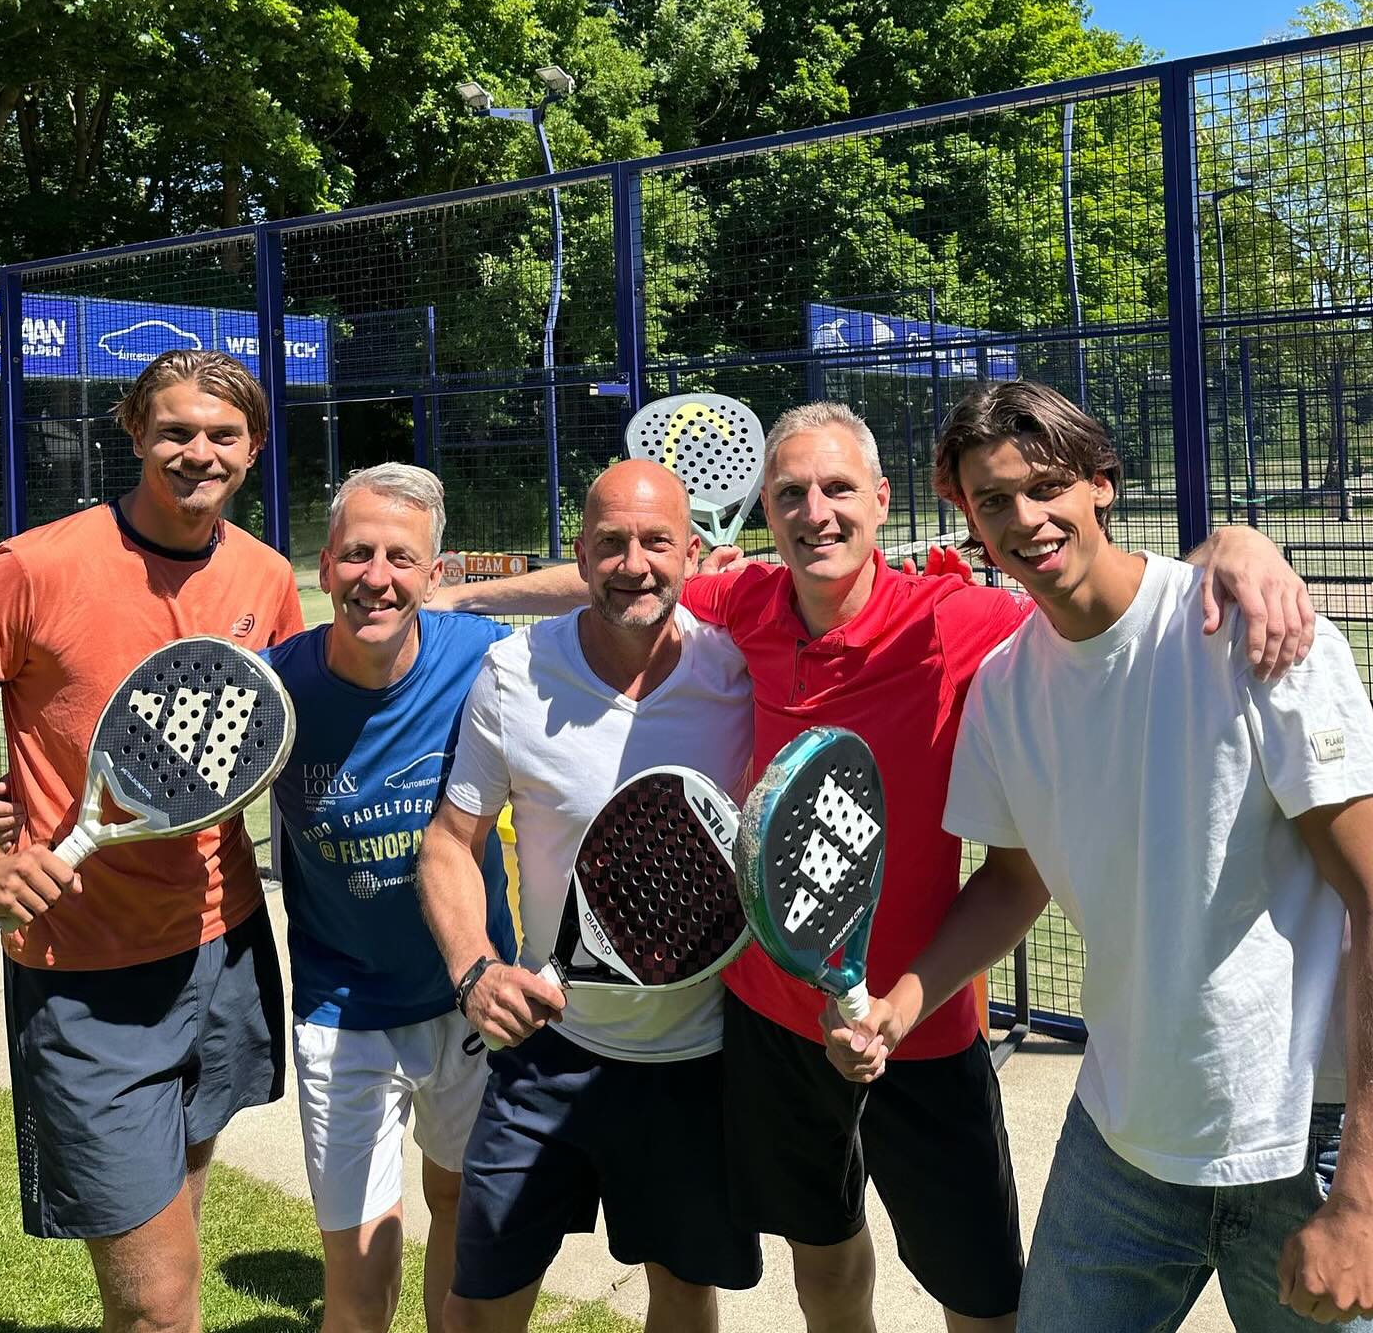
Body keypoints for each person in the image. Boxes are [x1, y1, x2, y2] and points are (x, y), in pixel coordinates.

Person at [430, 399, 1316, 1333]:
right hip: (775, 1021)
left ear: (882, 501)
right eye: (791, 495)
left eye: (837, 488)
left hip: (923, 1025)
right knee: (825, 1262)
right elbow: (617, 574)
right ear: (766, 516)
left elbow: (1098, 591)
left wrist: (1231, 546)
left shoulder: (967, 621)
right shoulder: (744, 603)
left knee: (979, 1294)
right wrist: (457, 597)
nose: (816, 511)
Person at [825, 379, 1373, 1331]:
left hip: (1302, 1138)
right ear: (965, 513)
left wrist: (1362, 1196)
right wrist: (901, 1004)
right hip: (1122, 1129)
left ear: (1101, 485)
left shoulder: (1254, 631)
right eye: (993, 499)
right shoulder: (1004, 686)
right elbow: (1012, 879)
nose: (1026, 520)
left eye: (1046, 488)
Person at [0, 349, 303, 1333]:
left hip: (224, 949)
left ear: (254, 446)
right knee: (156, 1301)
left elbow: (246, 739)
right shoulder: (34, 566)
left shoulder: (266, 577)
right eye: (174, 430)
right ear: (134, 433)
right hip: (83, 971)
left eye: (223, 434)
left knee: (181, 1214)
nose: (197, 452)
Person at [418, 458, 762, 1333]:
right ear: (580, 553)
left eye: (656, 542)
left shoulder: (740, 676)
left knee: (683, 1294)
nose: (634, 563)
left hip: (700, 1060)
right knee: (479, 1306)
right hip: (548, 1048)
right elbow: (449, 845)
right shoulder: (513, 675)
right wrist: (474, 970)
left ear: (693, 551)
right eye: (610, 543)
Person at [262, 463, 517, 1333]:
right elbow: (175, 771)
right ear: (325, 564)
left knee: (458, 1210)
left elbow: (602, 591)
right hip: (345, 1008)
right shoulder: (275, 689)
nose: (379, 577)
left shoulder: (486, 658)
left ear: (435, 575)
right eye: (359, 554)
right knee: (360, 1281)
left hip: (473, 996)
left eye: (402, 559)